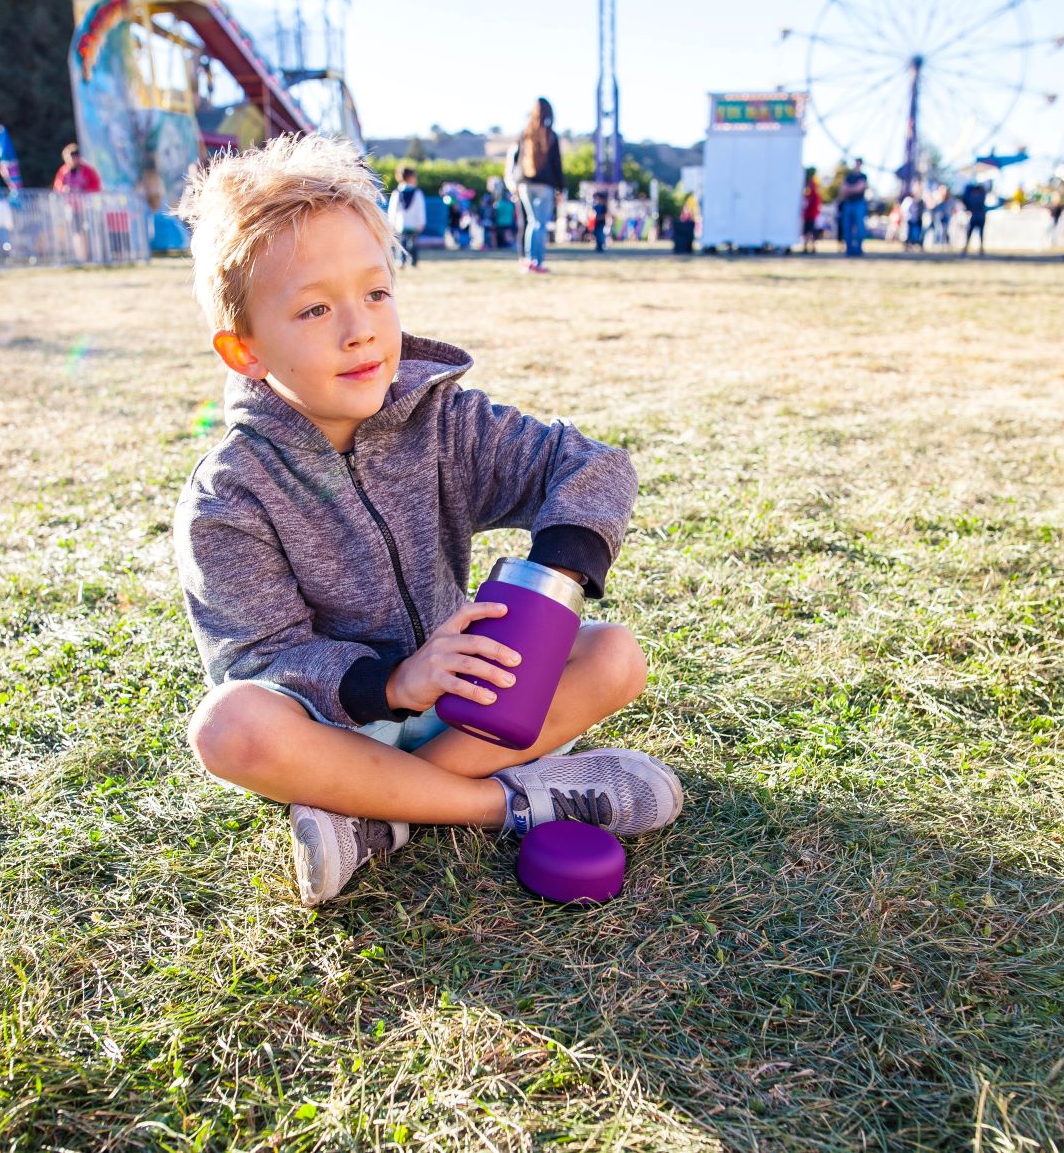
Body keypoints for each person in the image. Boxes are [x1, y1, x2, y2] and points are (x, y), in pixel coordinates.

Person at [171, 134, 683, 907]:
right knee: (227, 729)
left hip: (469, 709)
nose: (361, 330)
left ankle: (382, 819)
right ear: (244, 350)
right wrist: (393, 683)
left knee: (615, 656)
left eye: (376, 293)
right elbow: (261, 659)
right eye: (315, 308)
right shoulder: (228, 496)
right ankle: (515, 802)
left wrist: (554, 582)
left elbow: (588, 465)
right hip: (339, 733)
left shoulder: (443, 422)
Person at [515, 98, 564, 273]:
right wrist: (561, 187)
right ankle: (536, 260)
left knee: (531, 222)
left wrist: (516, 182)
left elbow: (518, 161)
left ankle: (528, 259)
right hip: (544, 185)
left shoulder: (525, 134)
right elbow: (556, 164)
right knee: (539, 224)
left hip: (525, 184)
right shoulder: (550, 136)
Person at [386, 164, 425, 269]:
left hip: (401, 224)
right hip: (413, 224)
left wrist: (391, 223)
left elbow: (392, 210)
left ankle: (402, 261)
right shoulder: (417, 193)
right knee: (413, 244)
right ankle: (413, 262)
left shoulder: (397, 193)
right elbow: (420, 210)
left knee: (402, 244)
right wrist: (421, 222)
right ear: (410, 177)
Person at [839, 159, 869, 256]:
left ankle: (858, 249)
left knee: (860, 227)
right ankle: (849, 250)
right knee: (847, 227)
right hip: (848, 203)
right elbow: (843, 189)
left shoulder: (863, 176)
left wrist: (849, 189)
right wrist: (854, 188)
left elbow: (860, 188)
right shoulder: (849, 176)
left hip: (859, 203)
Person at [959, 177, 989, 255]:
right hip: (976, 216)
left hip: (979, 216)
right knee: (970, 232)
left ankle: (980, 248)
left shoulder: (980, 194)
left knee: (980, 233)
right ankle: (967, 248)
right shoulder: (977, 195)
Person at [801, 166, 822, 253]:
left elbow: (815, 202)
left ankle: (812, 247)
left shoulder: (813, 189)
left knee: (811, 232)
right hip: (807, 214)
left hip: (812, 214)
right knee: (806, 231)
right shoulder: (807, 189)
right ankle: (806, 247)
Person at [589, 187, 609, 252]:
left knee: (600, 234)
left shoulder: (604, 206)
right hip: (596, 222)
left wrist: (599, 217)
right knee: (596, 233)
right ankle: (598, 246)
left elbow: (605, 215)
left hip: (601, 222)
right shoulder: (596, 206)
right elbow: (592, 213)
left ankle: (601, 246)